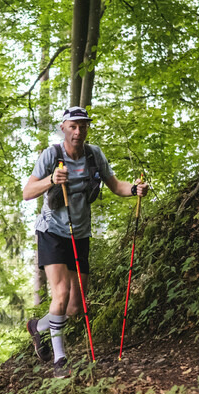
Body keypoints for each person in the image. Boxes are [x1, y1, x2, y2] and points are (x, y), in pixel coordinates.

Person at [23, 106, 150, 377]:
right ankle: (60, 360)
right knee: (60, 295)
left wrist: (135, 189)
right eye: (73, 126)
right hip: (52, 232)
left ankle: (38, 326)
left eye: (83, 126)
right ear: (63, 128)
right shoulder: (51, 155)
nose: (78, 131)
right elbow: (27, 192)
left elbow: (116, 185)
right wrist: (50, 180)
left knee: (76, 306)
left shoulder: (94, 155)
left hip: (80, 234)